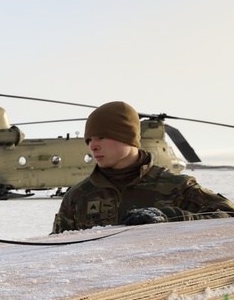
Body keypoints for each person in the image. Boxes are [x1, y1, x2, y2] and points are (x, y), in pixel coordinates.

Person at [51, 100, 234, 234]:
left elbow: (228, 217)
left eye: (101, 137)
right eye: (89, 140)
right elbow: (54, 247)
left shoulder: (176, 186)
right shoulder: (77, 196)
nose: (93, 146)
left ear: (127, 136)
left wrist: (171, 217)